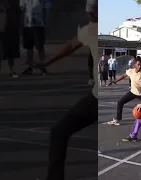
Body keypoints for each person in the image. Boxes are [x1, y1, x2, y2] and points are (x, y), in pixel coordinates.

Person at [25, 0, 98, 179]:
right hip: (103, 96)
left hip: (99, 98)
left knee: (59, 132)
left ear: (91, 14)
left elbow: (69, 47)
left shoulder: (90, 30)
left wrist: (45, 63)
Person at [107, 58, 141, 126]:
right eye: (138, 65)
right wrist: (116, 81)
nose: (139, 66)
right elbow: (124, 75)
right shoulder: (131, 71)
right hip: (133, 92)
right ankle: (118, 120)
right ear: (135, 65)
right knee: (120, 102)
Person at [0, 0, 21, 79]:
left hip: (11, 29)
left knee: (11, 51)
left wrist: (18, 25)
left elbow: (18, 13)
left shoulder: (14, 1)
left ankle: (12, 71)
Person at [20, 0, 51, 76]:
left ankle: (43, 67)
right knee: (29, 47)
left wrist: (47, 24)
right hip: (27, 25)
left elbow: (47, 10)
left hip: (39, 24)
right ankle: (30, 67)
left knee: (40, 47)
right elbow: (22, 9)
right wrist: (21, 23)